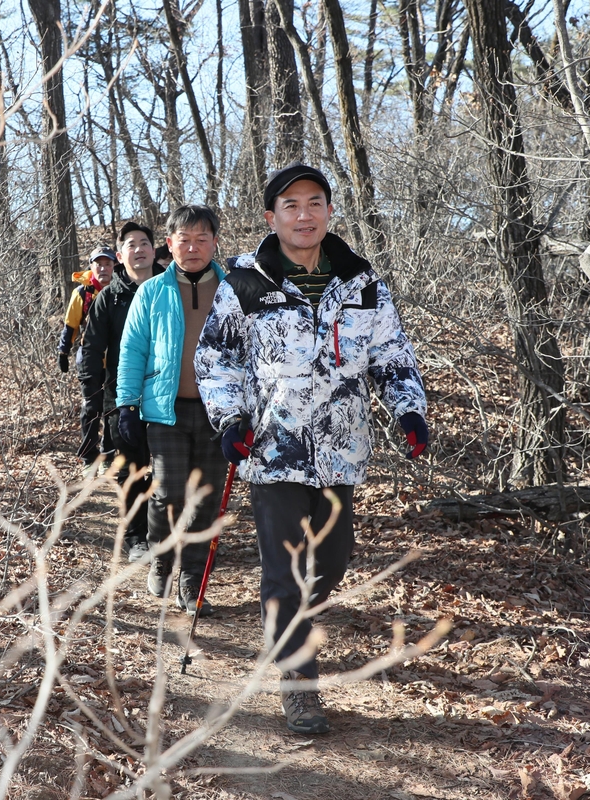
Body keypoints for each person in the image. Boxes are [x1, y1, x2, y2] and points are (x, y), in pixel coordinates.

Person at [194, 163, 429, 734]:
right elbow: (216, 360)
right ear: (271, 217)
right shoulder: (245, 283)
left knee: (330, 560)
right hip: (272, 450)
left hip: (341, 450)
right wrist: (230, 419)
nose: (304, 215)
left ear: (329, 211)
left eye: (314, 203)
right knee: (284, 570)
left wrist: (410, 410)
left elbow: (391, 354)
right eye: (291, 205)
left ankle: (292, 632)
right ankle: (298, 683)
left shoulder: (362, 281)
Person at [116, 205, 229, 616]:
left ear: (215, 242)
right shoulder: (152, 292)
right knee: (167, 495)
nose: (194, 247)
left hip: (221, 413)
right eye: (185, 239)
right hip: (165, 411)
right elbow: (132, 351)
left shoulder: (235, 289)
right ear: (170, 244)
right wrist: (126, 404)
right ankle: (162, 560)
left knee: (205, 502)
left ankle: (191, 582)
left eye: (202, 239)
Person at [79, 222, 162, 562]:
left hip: (167, 395)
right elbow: (91, 349)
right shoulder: (108, 298)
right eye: (131, 244)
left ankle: (169, 533)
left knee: (170, 468)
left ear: (155, 250)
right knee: (131, 469)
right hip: (121, 398)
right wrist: (94, 396)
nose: (139, 249)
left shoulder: (170, 289)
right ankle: (137, 537)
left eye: (145, 242)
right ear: (119, 255)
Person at [58, 246, 117, 469]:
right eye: (98, 264)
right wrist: (63, 352)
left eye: (108, 264)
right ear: (91, 266)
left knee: (112, 409)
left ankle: (108, 455)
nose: (103, 268)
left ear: (115, 266)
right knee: (92, 408)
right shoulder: (81, 293)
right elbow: (70, 326)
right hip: (89, 359)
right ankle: (88, 457)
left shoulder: (122, 289)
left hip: (117, 358)